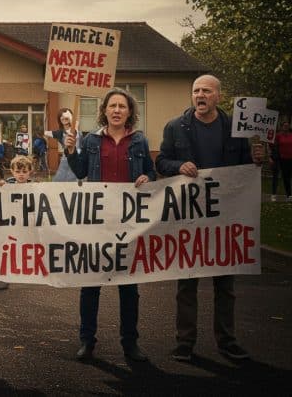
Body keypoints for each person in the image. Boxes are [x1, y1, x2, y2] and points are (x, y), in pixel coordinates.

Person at [155, 74, 263, 362]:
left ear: (217, 96)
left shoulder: (235, 129)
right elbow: (161, 162)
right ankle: (185, 342)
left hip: (225, 217)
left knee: (225, 285)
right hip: (190, 217)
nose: (199, 95)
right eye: (195, 91)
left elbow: (244, 167)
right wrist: (179, 165)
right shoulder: (175, 127)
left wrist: (257, 159)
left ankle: (227, 340)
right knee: (187, 283)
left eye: (206, 91)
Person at [65, 87, 155, 362]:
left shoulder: (139, 141)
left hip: (128, 223)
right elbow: (81, 171)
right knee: (91, 284)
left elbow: (150, 171)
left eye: (122, 106)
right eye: (112, 106)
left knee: (129, 287)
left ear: (130, 112)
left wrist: (147, 178)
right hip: (97, 222)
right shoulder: (92, 140)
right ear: (104, 111)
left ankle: (130, 343)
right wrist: (70, 151)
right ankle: (86, 340)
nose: (117, 110)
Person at [0, 155, 36, 290]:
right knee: (4, 252)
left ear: (30, 171)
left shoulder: (34, 187)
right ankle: (1, 279)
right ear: (12, 171)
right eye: (18, 171)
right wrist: (0, 186)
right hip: (8, 226)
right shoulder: (7, 185)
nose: (21, 175)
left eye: (24, 172)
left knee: (25, 252)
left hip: (25, 226)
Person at [47, 108, 82, 182]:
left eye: (67, 116)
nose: (64, 118)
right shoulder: (60, 133)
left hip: (76, 158)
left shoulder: (77, 131)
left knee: (74, 180)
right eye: (61, 116)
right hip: (65, 159)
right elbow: (47, 133)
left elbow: (78, 139)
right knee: (60, 180)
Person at [270, 119, 292, 200]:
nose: (286, 127)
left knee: (287, 177)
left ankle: (289, 195)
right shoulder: (278, 135)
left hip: (289, 159)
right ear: (282, 127)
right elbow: (272, 146)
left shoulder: (291, 135)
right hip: (279, 159)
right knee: (275, 176)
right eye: (284, 125)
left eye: (287, 125)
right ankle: (273, 195)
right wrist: (270, 157)